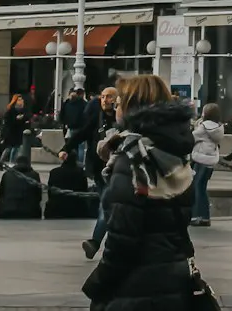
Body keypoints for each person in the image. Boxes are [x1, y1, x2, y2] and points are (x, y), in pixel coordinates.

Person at [82, 73, 205, 310]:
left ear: (131, 108)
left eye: (118, 103)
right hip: (173, 281)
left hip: (136, 287)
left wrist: (98, 284)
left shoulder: (132, 160)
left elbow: (121, 240)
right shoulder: (174, 154)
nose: (114, 107)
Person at [189, 101, 223, 227]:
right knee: (202, 188)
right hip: (210, 161)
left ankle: (196, 215)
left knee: (196, 188)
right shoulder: (217, 127)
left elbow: (192, 137)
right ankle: (205, 216)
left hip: (200, 159)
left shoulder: (204, 127)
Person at [46, 149, 99, 220]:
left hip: (56, 210)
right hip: (77, 210)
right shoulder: (80, 172)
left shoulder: (54, 172)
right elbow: (84, 191)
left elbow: (50, 192)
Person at [0, 145, 44, 220]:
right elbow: (38, 195)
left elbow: (2, 194)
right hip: (30, 212)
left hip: (7, 210)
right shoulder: (34, 175)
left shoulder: (7, 174)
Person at [0, 93, 33, 165]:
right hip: (11, 132)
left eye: (21, 99)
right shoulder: (11, 111)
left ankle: (4, 162)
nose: (21, 101)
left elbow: (27, 118)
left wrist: (24, 120)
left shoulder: (23, 110)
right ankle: (9, 163)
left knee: (14, 148)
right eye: (19, 100)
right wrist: (17, 119)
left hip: (19, 131)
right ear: (15, 101)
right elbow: (8, 122)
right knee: (11, 148)